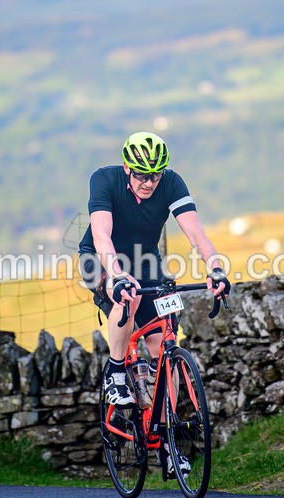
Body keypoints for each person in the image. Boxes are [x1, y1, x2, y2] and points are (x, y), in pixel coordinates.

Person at [78, 131, 230, 476]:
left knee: (165, 342)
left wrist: (215, 268)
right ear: (127, 168)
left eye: (155, 175)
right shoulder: (104, 179)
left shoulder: (171, 183)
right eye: (142, 175)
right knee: (128, 296)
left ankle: (166, 439)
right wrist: (115, 276)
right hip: (99, 259)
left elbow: (196, 233)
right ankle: (117, 371)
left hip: (146, 261)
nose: (149, 183)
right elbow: (101, 235)